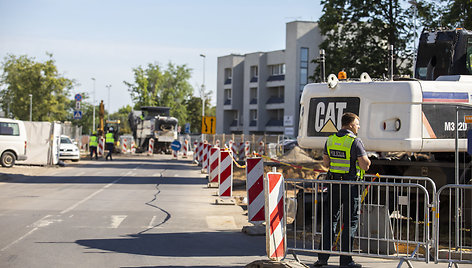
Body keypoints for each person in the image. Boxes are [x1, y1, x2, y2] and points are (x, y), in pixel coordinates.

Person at [314, 112, 371, 268]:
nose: (358, 127)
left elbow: (326, 164)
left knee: (330, 220)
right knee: (349, 222)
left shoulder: (330, 140)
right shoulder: (355, 142)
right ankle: (346, 260)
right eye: (357, 124)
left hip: (333, 184)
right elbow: (365, 165)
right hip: (350, 185)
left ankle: (322, 259)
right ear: (351, 125)